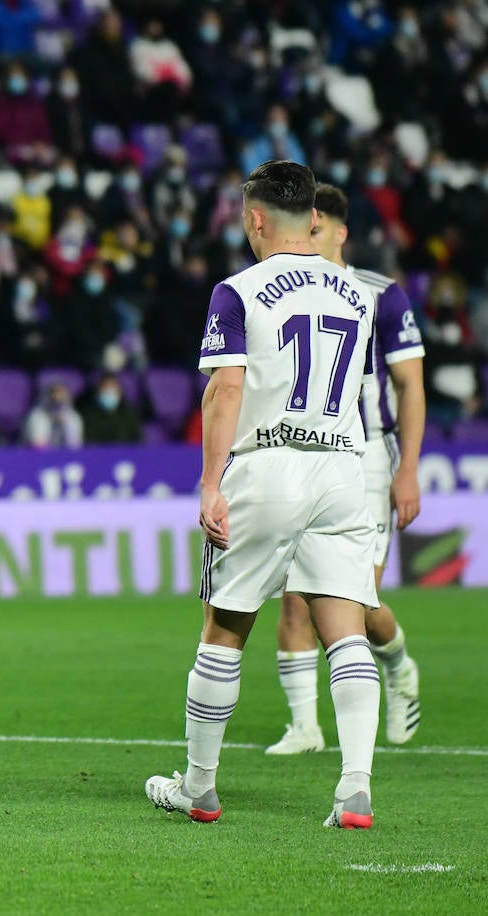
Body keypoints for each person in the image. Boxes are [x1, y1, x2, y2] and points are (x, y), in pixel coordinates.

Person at [146, 160, 381, 830]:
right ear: (314, 218)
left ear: (254, 219)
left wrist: (210, 481)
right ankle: (355, 787)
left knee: (224, 628)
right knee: (346, 632)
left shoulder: (238, 290)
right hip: (341, 466)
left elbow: (225, 389)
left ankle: (198, 787)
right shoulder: (356, 294)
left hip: (268, 466)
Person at [266, 183, 425, 755]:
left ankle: (399, 665)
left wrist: (407, 469)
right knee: (293, 592)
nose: (306, 238)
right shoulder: (281, 293)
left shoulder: (381, 295)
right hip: (301, 453)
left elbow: (410, 385)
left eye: (316, 229)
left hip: (367, 456)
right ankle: (305, 726)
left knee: (352, 601)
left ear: (339, 232)